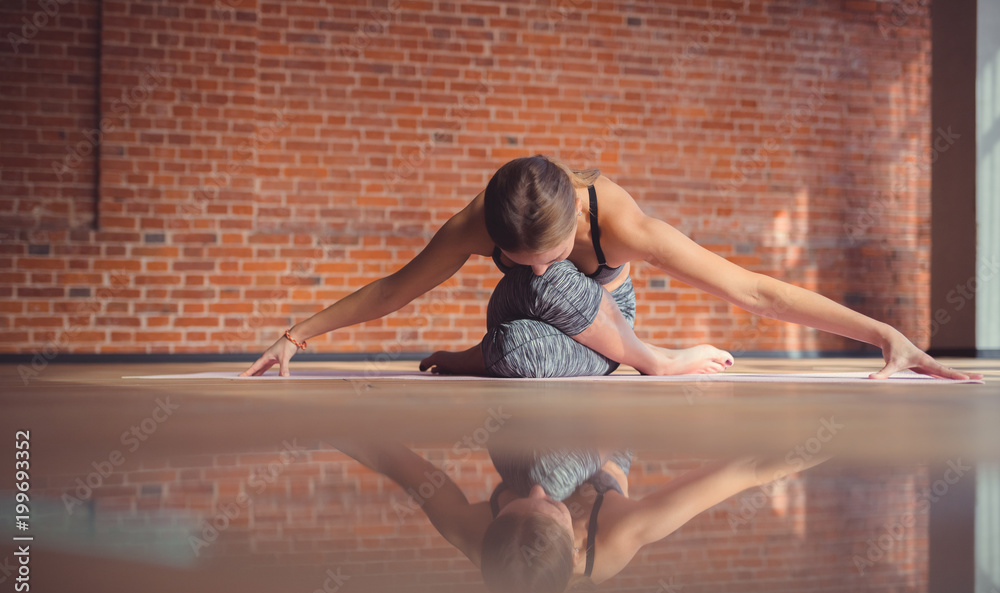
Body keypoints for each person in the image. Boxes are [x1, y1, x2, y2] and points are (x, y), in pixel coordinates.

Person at [240, 155, 979, 381]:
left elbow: (754, 288)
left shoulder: (619, 220)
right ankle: (480, 356)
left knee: (532, 323)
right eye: (512, 257)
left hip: (611, 332)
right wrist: (295, 336)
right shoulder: (476, 222)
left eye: (551, 254)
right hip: (524, 331)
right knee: (518, 340)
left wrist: (886, 333)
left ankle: (658, 361)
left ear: (576, 227)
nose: (531, 267)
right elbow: (396, 288)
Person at [334, 440, 830, 593]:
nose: (535, 491)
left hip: (524, 428)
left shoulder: (471, 532)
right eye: (548, 506)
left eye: (514, 503)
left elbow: (395, 461)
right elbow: (747, 471)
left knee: (532, 464)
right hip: (603, 439)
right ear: (575, 548)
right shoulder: (616, 536)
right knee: (547, 469)